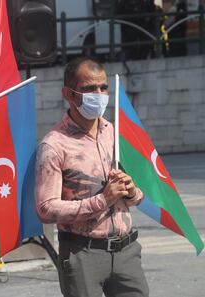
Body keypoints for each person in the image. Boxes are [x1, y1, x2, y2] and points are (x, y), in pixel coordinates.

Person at [35, 57, 149, 297]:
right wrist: (102, 200)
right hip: (82, 253)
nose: (99, 94)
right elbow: (45, 209)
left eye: (103, 87)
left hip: (126, 251)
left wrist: (131, 191)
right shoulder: (54, 144)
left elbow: (137, 193)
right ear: (69, 94)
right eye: (89, 88)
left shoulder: (114, 133)